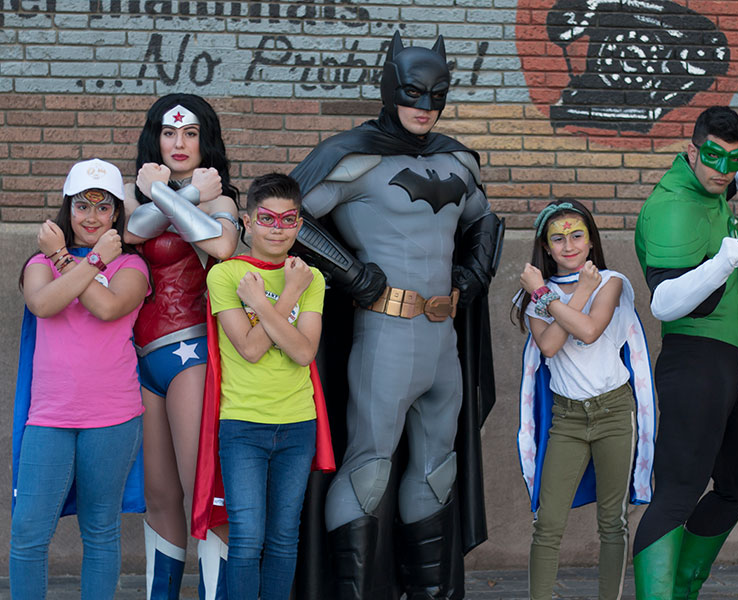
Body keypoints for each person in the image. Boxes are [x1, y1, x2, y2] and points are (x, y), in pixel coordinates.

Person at [290, 31, 503, 599]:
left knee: (438, 470)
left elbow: (484, 220)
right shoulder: (353, 157)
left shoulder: (456, 159)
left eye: (436, 96)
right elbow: (287, 220)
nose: (424, 107)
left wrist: (476, 272)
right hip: (385, 332)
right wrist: (353, 273)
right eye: (413, 93)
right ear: (390, 88)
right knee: (370, 467)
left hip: (442, 339)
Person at [633, 106, 738, 599]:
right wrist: (721, 264)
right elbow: (664, 302)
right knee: (677, 493)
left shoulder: (711, 178)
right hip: (694, 361)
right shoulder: (672, 208)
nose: (722, 170)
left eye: (733, 159)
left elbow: (724, 167)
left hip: (722, 363)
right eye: (712, 157)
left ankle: (683, 586)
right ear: (689, 151)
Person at [10, 159, 151, 598]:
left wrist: (73, 260)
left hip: (112, 415)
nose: (91, 218)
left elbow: (108, 307)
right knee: (29, 532)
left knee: (100, 528)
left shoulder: (131, 265)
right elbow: (44, 304)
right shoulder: (41, 262)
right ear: (67, 209)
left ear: (116, 214)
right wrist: (79, 259)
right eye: (81, 207)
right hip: (49, 415)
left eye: (103, 208)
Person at [123, 93, 240, 599]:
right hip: (142, 358)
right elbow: (131, 230)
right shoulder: (135, 193)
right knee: (161, 494)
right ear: (156, 138)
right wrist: (185, 194)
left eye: (191, 133)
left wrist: (177, 194)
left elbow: (220, 246)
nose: (179, 142)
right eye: (170, 133)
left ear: (205, 140)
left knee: (206, 492)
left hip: (193, 354)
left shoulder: (223, 199)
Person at [514, 200, 655, 600]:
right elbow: (551, 346)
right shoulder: (533, 296)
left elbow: (590, 330)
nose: (568, 244)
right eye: (558, 238)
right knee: (547, 523)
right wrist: (555, 292)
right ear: (546, 245)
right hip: (568, 419)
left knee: (613, 522)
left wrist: (557, 294)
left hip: (613, 411)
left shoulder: (611, 281)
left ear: (591, 240)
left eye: (577, 235)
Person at [201, 173, 325, 598]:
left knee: (283, 540)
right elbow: (251, 349)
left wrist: (271, 298)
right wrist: (285, 297)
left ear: (299, 225)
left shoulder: (310, 278)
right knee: (247, 539)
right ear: (247, 222)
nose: (277, 228)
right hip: (243, 424)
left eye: (288, 219)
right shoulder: (225, 275)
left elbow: (304, 352)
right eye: (267, 218)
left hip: (297, 423)